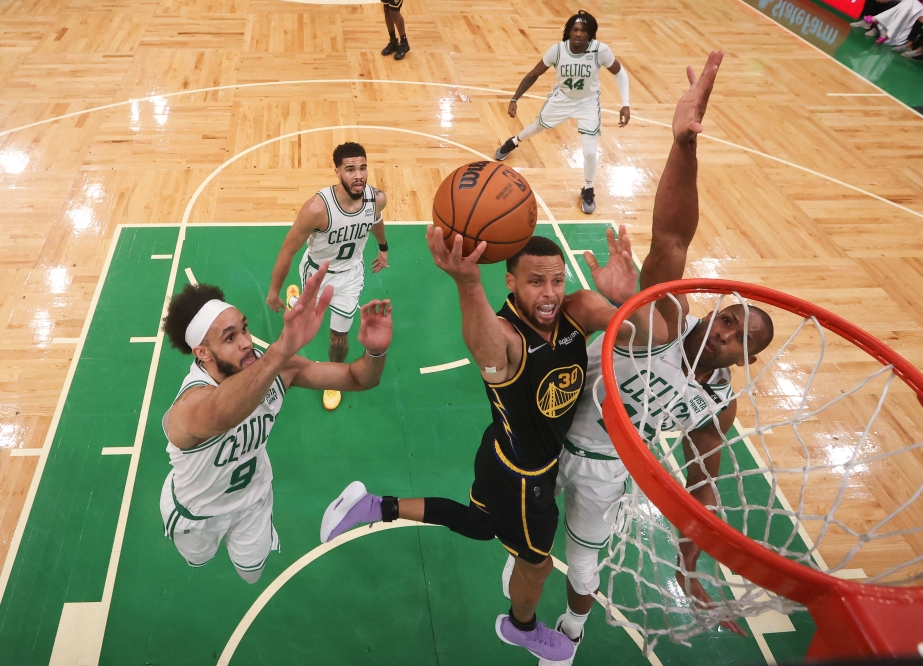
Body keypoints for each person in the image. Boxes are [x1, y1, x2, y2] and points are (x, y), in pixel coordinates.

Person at [527, 51, 775, 665]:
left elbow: (703, 487)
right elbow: (671, 238)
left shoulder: (717, 406)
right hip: (549, 422)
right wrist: (683, 146)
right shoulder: (665, 319)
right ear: (715, 313)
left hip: (606, 463)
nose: (727, 331)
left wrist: (691, 567)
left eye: (742, 337)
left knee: (584, 560)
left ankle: (571, 631)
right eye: (730, 317)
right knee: (518, 536)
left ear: (743, 359)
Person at [319, 227, 665, 661]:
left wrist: (631, 298)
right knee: (536, 566)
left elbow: (654, 338)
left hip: (500, 451)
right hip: (526, 476)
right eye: (536, 281)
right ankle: (521, 628)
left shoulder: (578, 310)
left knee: (482, 525)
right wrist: (467, 283)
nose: (549, 293)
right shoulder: (507, 333)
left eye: (556, 280)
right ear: (511, 282)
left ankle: (372, 506)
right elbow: (485, 348)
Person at [159, 266, 392, 583]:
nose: (245, 342)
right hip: (197, 513)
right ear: (202, 353)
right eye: (230, 338)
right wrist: (282, 349)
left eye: (244, 329)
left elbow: (357, 378)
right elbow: (222, 413)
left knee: (251, 575)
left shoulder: (274, 367)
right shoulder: (187, 409)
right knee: (198, 563)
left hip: (253, 499)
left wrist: (375, 349)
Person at [266, 142, 389, 411]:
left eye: (363, 167)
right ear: (337, 171)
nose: (359, 175)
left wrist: (382, 247)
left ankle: (333, 377)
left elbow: (376, 219)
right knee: (300, 324)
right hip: (316, 274)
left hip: (350, 277)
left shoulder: (376, 198)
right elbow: (288, 250)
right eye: (350, 169)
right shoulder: (317, 209)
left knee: (338, 339)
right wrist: (273, 291)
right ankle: (293, 299)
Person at [494, 11, 630, 215]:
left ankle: (588, 188)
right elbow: (533, 74)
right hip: (562, 99)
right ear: (568, 31)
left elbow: (620, 72)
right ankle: (513, 141)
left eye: (583, 31)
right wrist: (515, 98)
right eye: (575, 29)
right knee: (537, 128)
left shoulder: (600, 51)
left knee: (590, 151)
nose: (578, 34)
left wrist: (625, 103)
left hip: (588, 102)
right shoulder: (557, 51)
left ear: (590, 34)